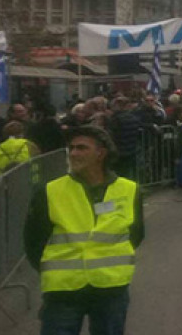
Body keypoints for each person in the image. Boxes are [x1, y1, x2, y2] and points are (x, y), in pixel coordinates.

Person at [24, 125, 144, 335]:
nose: (73, 153)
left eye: (82, 148)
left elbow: (135, 234)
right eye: (71, 148)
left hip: (110, 287)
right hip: (63, 291)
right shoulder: (50, 191)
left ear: (101, 153)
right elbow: (34, 241)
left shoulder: (129, 190)